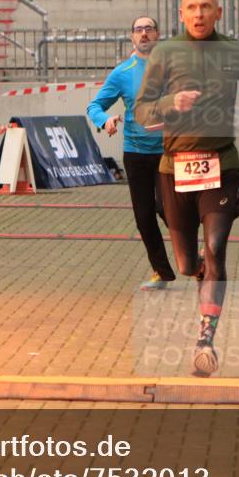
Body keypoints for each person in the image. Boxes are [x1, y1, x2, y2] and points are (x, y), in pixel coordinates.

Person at [134, 0, 239, 377]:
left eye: (206, 7)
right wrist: (168, 104)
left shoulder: (234, 51)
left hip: (221, 167)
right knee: (186, 261)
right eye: (191, 7)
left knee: (215, 248)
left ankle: (205, 342)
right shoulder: (165, 53)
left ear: (219, 12)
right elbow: (142, 110)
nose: (198, 14)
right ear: (181, 14)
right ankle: (198, 272)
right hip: (174, 169)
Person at [86, 16, 176, 291]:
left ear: (158, 34)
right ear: (132, 37)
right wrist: (106, 120)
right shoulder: (123, 72)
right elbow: (94, 106)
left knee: (168, 209)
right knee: (144, 216)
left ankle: (191, 259)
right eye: (139, 30)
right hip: (135, 153)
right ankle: (162, 272)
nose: (144, 34)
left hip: (167, 152)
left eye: (149, 29)